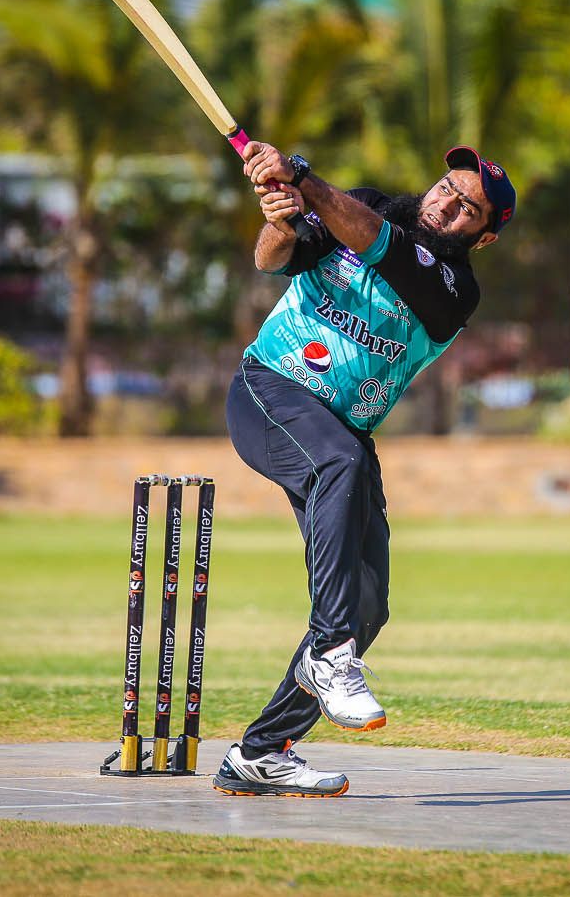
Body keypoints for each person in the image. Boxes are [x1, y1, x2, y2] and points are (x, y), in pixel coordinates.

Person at [212, 141, 515, 798]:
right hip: (271, 389)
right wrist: (281, 217)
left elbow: (384, 246)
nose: (447, 204)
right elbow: (272, 259)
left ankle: (261, 752)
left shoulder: (455, 289)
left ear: (485, 237)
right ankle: (329, 650)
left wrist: (302, 178)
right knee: (340, 464)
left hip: (341, 431)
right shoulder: (363, 204)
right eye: (447, 187)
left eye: (468, 209)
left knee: (369, 603)